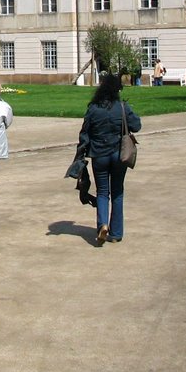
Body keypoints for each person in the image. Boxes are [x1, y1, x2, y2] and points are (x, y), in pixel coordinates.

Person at [73, 74, 142, 245]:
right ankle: (116, 232)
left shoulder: (93, 108)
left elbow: (84, 133)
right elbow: (137, 126)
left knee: (103, 192)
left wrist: (81, 153)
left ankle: (102, 224)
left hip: (99, 155)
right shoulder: (122, 107)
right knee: (118, 191)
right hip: (119, 154)